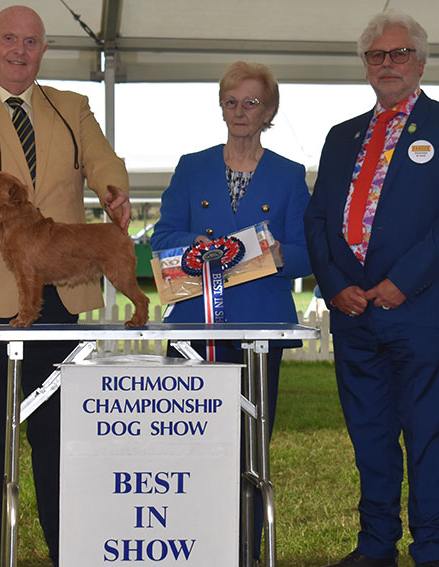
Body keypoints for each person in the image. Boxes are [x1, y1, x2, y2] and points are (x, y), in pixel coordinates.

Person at [0, 6, 130, 567]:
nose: (20, 50)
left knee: (58, 432)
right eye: (9, 40)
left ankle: (65, 547)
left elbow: (100, 158)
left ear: (44, 50)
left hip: (56, 295)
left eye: (31, 42)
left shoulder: (72, 107)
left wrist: (114, 190)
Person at [150, 61, 311, 565]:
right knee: (190, 445)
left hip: (260, 329)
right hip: (195, 327)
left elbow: (309, 251)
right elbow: (162, 238)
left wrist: (276, 253)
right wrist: (194, 244)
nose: (241, 112)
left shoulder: (288, 174)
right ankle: (192, 546)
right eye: (232, 102)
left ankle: (246, 549)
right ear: (221, 107)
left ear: (271, 111)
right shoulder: (191, 165)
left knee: (249, 448)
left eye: (253, 102)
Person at [304, 10, 439, 567]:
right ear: (365, 65)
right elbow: (317, 221)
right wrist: (335, 286)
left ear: (421, 61)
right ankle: (376, 544)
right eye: (376, 55)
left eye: (399, 53)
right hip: (354, 314)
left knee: (428, 435)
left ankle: (431, 547)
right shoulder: (341, 137)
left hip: (419, 310)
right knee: (369, 436)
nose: (388, 64)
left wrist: (401, 283)